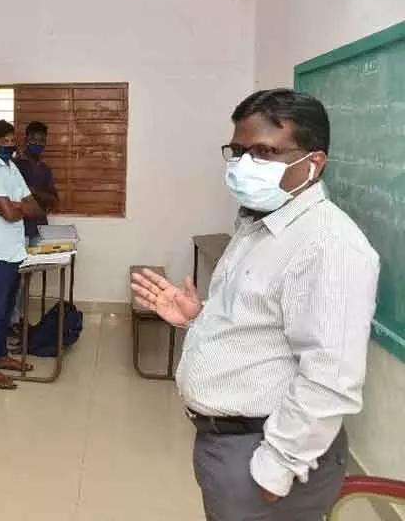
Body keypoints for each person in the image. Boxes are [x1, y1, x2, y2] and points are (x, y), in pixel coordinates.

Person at [131, 89, 379, 521]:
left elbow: (330, 377)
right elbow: (263, 323)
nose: (245, 166)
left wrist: (275, 469)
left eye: (265, 152)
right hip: (229, 445)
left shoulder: (329, 246)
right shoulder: (260, 222)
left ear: (313, 162)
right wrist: (198, 318)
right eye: (239, 151)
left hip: (266, 454)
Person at [0, 120, 42, 390]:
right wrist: (15, 207)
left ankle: (1, 355)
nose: (8, 146)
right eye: (2, 143)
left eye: (11, 142)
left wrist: (16, 207)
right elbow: (8, 212)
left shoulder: (12, 168)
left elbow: (33, 206)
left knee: (7, 309)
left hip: (15, 249)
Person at [13, 121, 59, 239]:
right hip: (17, 228)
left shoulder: (45, 169)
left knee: (40, 257)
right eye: (33, 139)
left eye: (42, 140)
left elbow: (54, 200)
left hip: (39, 228)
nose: (38, 143)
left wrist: (35, 191)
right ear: (26, 139)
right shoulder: (14, 165)